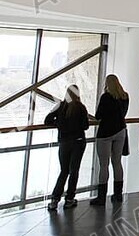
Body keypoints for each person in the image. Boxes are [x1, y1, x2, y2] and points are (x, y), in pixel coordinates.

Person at [45, 85, 90, 211]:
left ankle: (54, 199)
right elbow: (85, 126)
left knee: (64, 171)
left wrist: (59, 124)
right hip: (78, 141)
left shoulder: (60, 106)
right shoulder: (81, 107)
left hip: (64, 142)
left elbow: (47, 120)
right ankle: (69, 199)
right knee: (74, 171)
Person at [91, 74, 129, 206]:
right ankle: (118, 194)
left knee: (104, 164)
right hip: (120, 130)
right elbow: (124, 114)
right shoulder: (125, 96)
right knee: (117, 162)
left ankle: (101, 197)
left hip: (106, 133)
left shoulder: (106, 97)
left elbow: (98, 115)